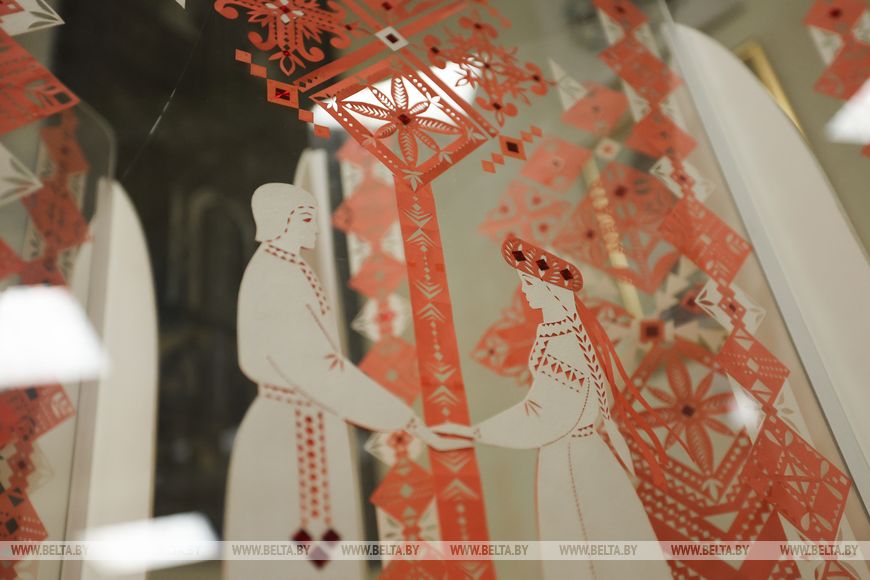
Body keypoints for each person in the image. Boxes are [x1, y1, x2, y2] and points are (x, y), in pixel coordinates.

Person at [225, 183, 460, 580]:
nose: (315, 227)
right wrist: (407, 421)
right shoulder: (275, 276)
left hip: (309, 420)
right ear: (280, 222)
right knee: (293, 555)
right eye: (305, 217)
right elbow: (320, 369)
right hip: (291, 429)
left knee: (319, 555)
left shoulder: (288, 268)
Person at [434, 236, 672, 579]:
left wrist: (474, 433)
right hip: (579, 456)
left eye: (530, 283)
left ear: (551, 289)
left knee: (589, 546)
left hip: (574, 462)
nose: (524, 291)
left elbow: (543, 414)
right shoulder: (560, 335)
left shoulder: (563, 344)